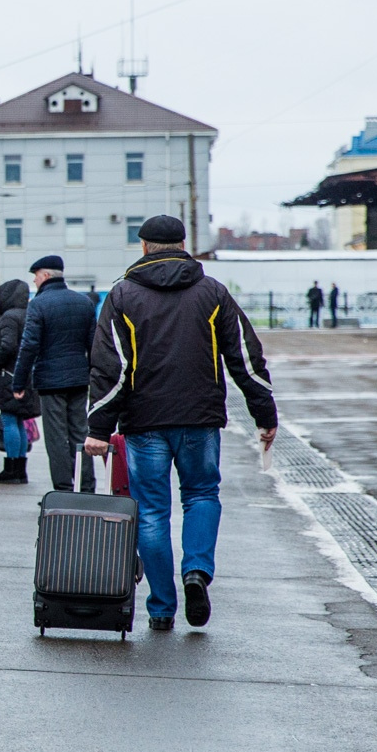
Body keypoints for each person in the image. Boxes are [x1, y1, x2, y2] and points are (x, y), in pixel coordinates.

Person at [85, 215, 278, 632]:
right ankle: (196, 571)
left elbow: (109, 368)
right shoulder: (212, 292)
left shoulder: (122, 296)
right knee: (202, 494)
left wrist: (99, 429)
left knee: (152, 511)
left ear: (143, 247)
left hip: (143, 422)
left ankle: (161, 608)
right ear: (183, 244)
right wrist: (265, 414)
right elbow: (246, 359)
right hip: (200, 418)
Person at [11, 254, 97, 493]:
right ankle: (87, 487)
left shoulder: (38, 304)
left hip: (51, 382)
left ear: (45, 276)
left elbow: (29, 346)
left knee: (57, 438)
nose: (35, 282)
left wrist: (19, 382)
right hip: (80, 380)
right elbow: (94, 345)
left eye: (36, 277)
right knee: (81, 433)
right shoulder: (84, 303)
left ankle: (63, 489)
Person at [0, 279, 36, 483]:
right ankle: (20, 468)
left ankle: (12, 468)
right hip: (24, 374)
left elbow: (7, 346)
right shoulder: (27, 314)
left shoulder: (9, 317)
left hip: (7, 375)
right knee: (19, 421)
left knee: (9, 419)